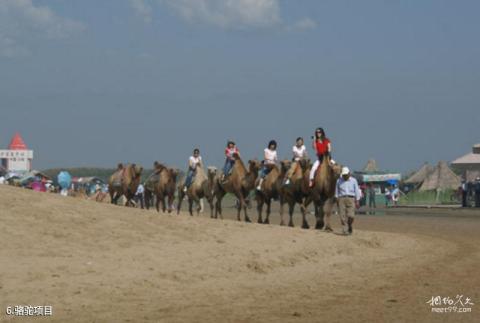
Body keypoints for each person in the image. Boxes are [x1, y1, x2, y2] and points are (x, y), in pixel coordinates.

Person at [335, 167, 361, 235]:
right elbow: (337, 191)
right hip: (341, 199)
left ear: (349, 174)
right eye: (343, 175)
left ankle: (349, 225)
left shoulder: (354, 180)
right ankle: (344, 229)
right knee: (342, 216)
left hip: (351, 199)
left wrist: (357, 200)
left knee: (351, 216)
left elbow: (357, 190)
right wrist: (337, 198)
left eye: (346, 175)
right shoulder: (339, 181)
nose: (345, 176)